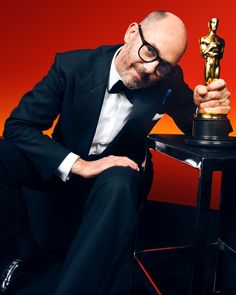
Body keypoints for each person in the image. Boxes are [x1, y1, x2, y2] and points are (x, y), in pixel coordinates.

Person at [0, 10, 231, 295]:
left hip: (115, 182)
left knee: (121, 176)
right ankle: (20, 253)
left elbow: (203, 133)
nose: (150, 69)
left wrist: (208, 110)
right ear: (131, 32)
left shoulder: (167, 80)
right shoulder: (72, 66)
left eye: (164, 65)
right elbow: (18, 126)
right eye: (149, 52)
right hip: (68, 169)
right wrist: (80, 165)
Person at [200, 18, 225, 85]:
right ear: (209, 24)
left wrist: (215, 52)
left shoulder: (221, 40)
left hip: (217, 63)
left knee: (216, 85)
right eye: (213, 22)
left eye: (217, 23)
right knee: (207, 83)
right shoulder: (204, 39)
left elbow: (221, 55)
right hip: (209, 62)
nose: (215, 25)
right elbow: (203, 53)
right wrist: (211, 46)